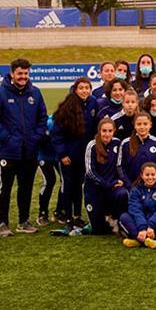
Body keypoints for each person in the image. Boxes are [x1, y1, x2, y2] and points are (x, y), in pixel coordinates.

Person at [0, 58, 48, 236]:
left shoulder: (35, 93)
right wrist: (9, 139)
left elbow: (42, 119)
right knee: (5, 188)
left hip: (29, 152)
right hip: (7, 151)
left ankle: (23, 221)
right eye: (20, 73)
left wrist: (35, 138)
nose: (23, 77)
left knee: (26, 187)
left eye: (26, 73)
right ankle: (3, 222)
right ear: (12, 73)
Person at [50, 77, 97, 231]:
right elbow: (57, 134)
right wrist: (62, 154)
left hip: (83, 156)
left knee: (79, 186)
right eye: (81, 88)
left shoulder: (92, 103)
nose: (85, 91)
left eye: (87, 88)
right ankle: (67, 216)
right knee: (68, 185)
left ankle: (77, 216)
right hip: (68, 157)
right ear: (75, 90)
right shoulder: (67, 107)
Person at [120, 162, 156, 248]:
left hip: (155, 224)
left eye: (153, 174)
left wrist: (151, 226)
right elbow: (135, 210)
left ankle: (137, 240)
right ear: (142, 175)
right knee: (124, 217)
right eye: (147, 175)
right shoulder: (135, 190)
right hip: (140, 223)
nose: (150, 177)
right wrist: (142, 228)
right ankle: (146, 240)